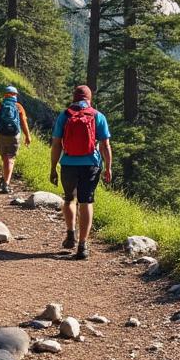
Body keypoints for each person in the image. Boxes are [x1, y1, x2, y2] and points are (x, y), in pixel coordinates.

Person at [49, 84, 112, 260]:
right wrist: (108, 167)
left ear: (74, 98)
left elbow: (56, 144)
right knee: (86, 201)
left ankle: (70, 233)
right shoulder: (98, 116)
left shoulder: (65, 115)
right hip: (90, 164)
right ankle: (82, 246)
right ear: (89, 98)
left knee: (69, 198)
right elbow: (105, 145)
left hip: (68, 163)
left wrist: (53, 167)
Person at [0, 85, 31, 194]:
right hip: (14, 135)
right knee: (10, 158)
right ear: (15, 95)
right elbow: (24, 122)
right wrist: (28, 136)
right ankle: (6, 184)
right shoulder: (18, 107)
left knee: (5, 157)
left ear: (5, 95)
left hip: (1, 134)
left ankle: (4, 178)